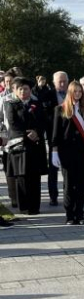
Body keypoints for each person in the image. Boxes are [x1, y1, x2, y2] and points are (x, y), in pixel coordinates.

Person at [51, 81, 84, 225]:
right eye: (75, 91)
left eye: (80, 91)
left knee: (81, 183)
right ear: (70, 92)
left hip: (83, 150)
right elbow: (56, 133)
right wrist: (54, 151)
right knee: (68, 184)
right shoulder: (60, 109)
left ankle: (80, 213)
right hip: (66, 151)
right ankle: (69, 215)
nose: (78, 94)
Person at [3, 77, 48, 215]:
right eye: (20, 89)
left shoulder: (36, 103)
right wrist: (27, 134)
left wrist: (37, 132)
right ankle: (24, 206)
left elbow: (43, 121)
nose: (23, 91)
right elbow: (13, 123)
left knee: (35, 177)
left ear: (30, 90)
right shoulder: (10, 103)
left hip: (35, 144)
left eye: (26, 89)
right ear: (15, 91)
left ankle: (35, 207)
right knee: (21, 176)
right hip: (19, 145)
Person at [42, 71, 69, 206]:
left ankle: (69, 194)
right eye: (60, 81)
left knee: (69, 169)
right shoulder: (47, 96)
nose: (63, 84)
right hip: (54, 136)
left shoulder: (73, 94)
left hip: (69, 137)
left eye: (65, 81)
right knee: (53, 169)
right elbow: (45, 116)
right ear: (54, 82)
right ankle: (53, 196)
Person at [0, 68, 21, 208]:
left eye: (10, 81)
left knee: (20, 170)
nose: (8, 84)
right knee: (10, 171)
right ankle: (13, 197)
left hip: (19, 138)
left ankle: (21, 196)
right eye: (6, 81)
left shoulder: (19, 96)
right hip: (6, 139)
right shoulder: (1, 98)